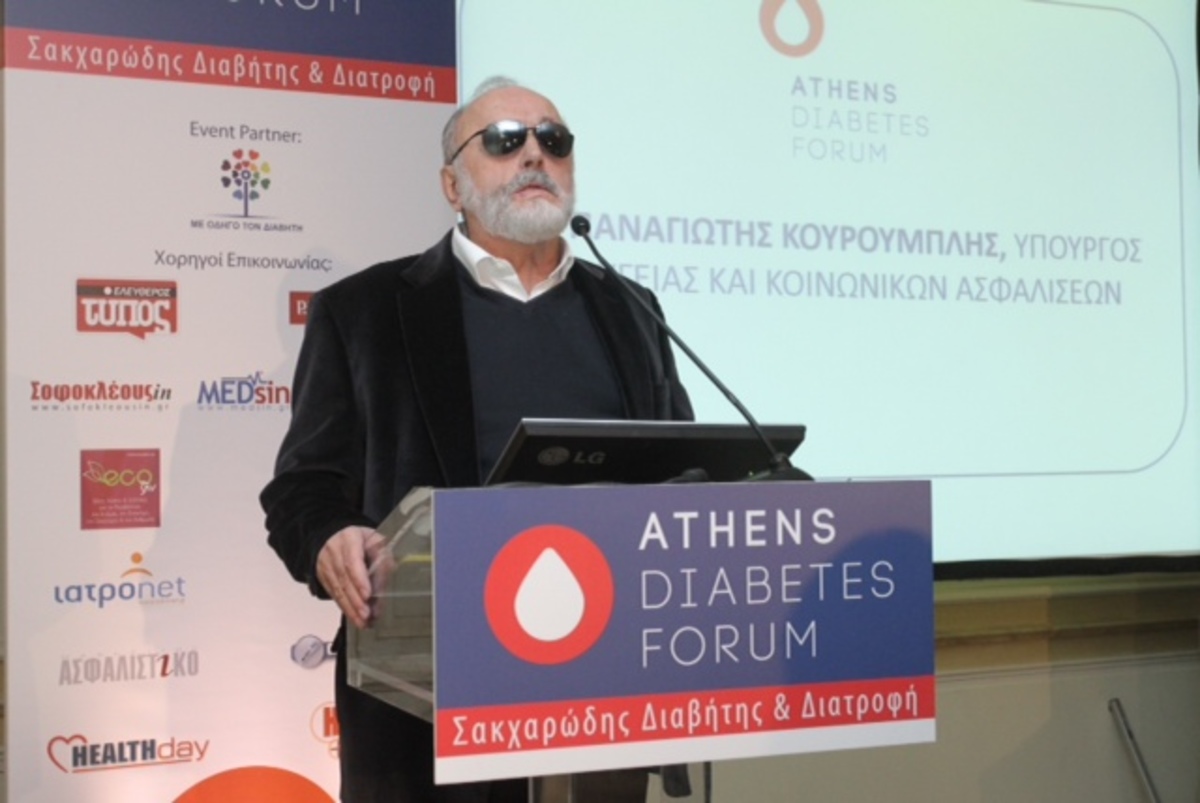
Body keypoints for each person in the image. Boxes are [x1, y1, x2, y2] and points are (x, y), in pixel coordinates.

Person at [260, 76, 693, 803]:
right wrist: (330, 535)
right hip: (424, 695)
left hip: (607, 684)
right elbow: (302, 489)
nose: (535, 155)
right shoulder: (364, 312)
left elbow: (683, 470)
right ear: (451, 185)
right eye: (504, 140)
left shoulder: (629, 309)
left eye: (554, 140)